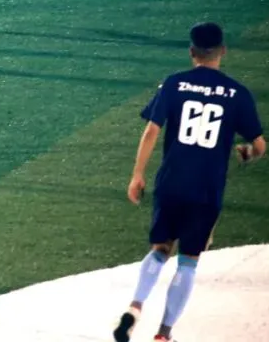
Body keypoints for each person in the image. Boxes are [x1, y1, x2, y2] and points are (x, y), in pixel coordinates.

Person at [112, 22, 265, 342]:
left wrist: (137, 174)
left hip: (171, 181)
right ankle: (164, 333)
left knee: (160, 249)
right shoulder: (237, 93)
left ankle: (135, 306)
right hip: (206, 189)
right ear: (223, 51)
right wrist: (248, 154)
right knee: (188, 260)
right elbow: (260, 145)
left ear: (192, 52)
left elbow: (151, 131)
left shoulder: (174, 83)